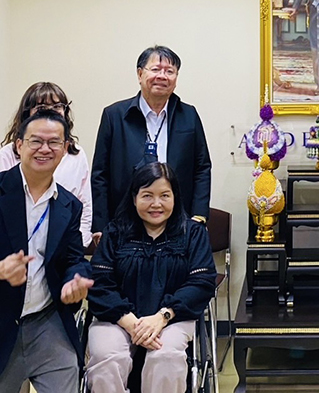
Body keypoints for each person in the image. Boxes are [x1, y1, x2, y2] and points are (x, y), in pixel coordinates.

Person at [86, 162, 216, 393]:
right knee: (107, 358)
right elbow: (99, 284)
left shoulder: (192, 233)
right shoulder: (115, 232)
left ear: (175, 197)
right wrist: (132, 323)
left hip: (172, 318)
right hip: (117, 317)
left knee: (165, 357)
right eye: (147, 195)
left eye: (164, 195)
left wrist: (162, 316)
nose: (156, 204)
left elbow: (201, 283)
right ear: (134, 197)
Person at [0, 110, 94, 393]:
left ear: (65, 148)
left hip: (46, 320)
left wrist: (75, 280)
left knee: (69, 371)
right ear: (19, 145)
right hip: (3, 316)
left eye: (54, 142)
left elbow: (74, 258)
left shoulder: (69, 205)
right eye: (36, 141)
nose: (45, 149)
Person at [91, 45, 212, 241]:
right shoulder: (114, 116)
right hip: (124, 220)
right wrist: (100, 224)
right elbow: (100, 174)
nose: (163, 76)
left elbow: (202, 167)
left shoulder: (189, 115)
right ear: (140, 74)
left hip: (177, 220)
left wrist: (198, 216)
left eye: (170, 71)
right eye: (155, 69)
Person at [0, 82, 93, 247]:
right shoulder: (8, 153)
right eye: (42, 107)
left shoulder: (75, 153)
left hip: (61, 241)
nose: (50, 112)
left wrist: (81, 243)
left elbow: (84, 204)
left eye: (57, 106)